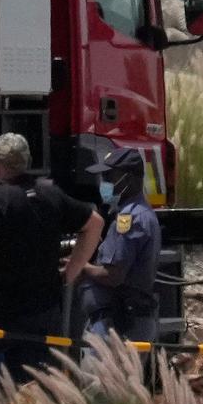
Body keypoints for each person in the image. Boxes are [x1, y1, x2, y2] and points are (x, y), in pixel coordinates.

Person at [0, 133, 104, 386]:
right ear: (27, 161)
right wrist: (72, 269)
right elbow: (95, 223)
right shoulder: (51, 194)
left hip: (1, 309)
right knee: (32, 387)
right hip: (43, 312)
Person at [79, 146, 162, 343]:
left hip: (120, 324)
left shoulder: (130, 217)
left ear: (129, 178)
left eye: (110, 176)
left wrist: (81, 266)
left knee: (100, 375)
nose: (105, 183)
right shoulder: (136, 212)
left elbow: (113, 276)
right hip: (121, 321)